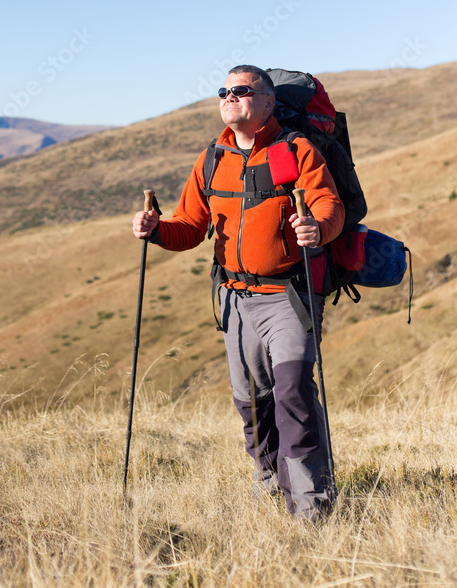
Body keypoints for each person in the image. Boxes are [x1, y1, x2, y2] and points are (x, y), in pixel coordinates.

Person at [132, 64, 344, 520]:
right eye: (224, 90)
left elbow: (329, 203)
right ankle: (269, 486)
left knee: (293, 393)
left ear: (267, 101)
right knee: (252, 403)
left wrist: (317, 227)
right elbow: (190, 227)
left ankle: (312, 508)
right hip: (234, 298)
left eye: (243, 90)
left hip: (290, 295)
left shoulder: (295, 149)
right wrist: (154, 231)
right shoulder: (212, 158)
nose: (231, 96)